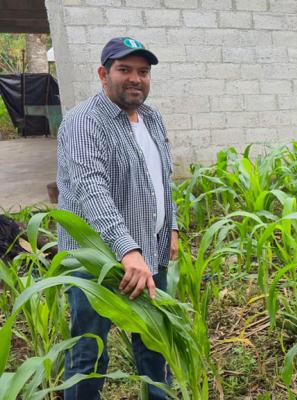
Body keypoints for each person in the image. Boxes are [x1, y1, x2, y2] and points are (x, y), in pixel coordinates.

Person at [56, 37, 177, 400]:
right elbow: (91, 190)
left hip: (148, 256)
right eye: (124, 69)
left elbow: (163, 177)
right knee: (89, 350)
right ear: (103, 74)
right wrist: (127, 250)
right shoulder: (83, 122)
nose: (135, 79)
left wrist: (170, 226)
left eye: (143, 71)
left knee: (155, 341)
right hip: (96, 261)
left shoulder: (152, 117)